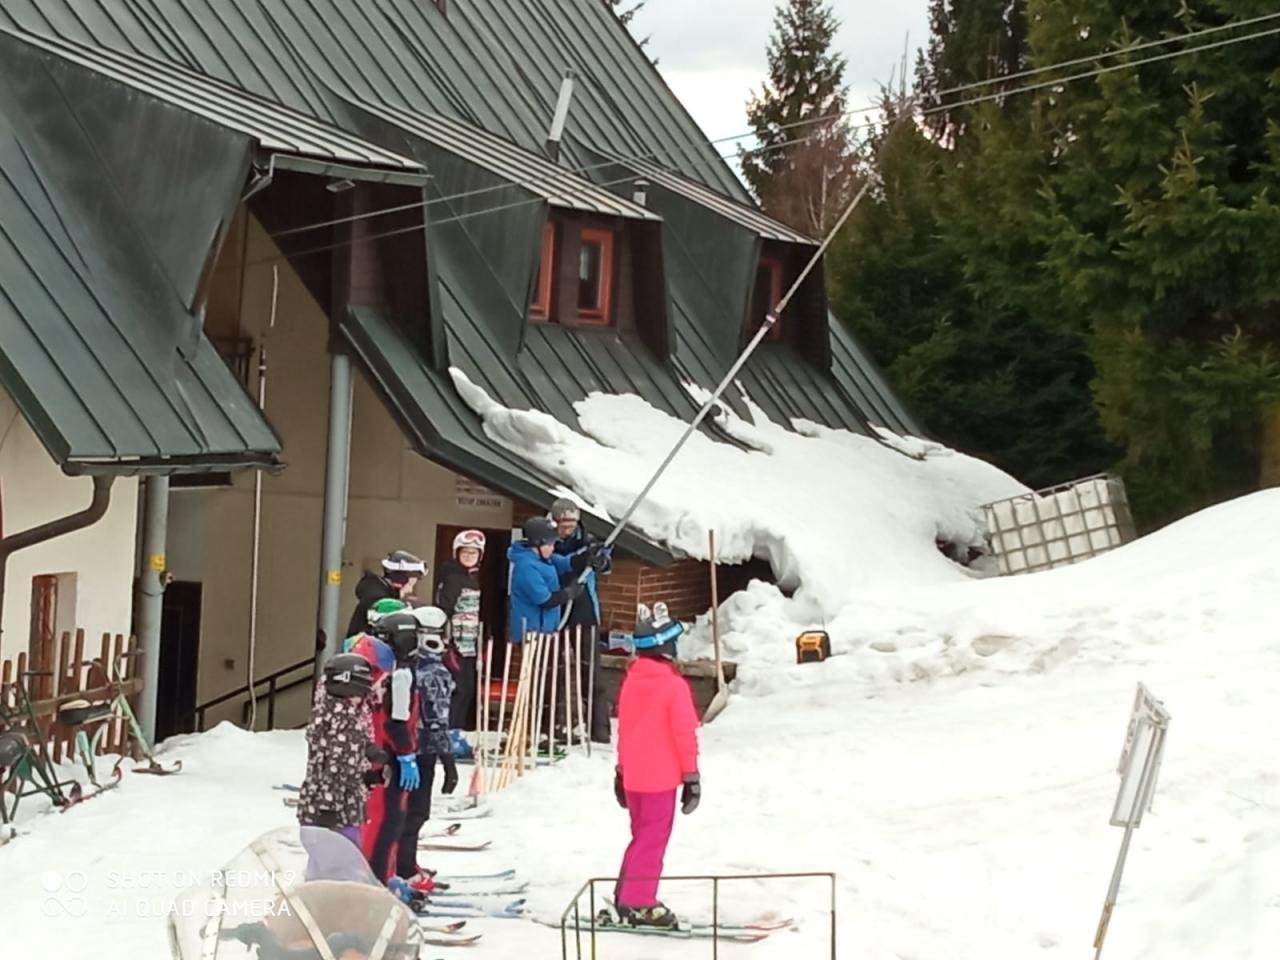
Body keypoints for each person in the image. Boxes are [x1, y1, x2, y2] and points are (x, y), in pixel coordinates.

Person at [612, 605, 701, 929]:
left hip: (634, 777)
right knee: (652, 840)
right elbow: (684, 734)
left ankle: (626, 892)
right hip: (660, 778)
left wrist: (621, 770)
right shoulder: (674, 686)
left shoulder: (631, 682)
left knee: (641, 837)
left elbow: (624, 729)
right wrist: (691, 776)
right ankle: (639, 901)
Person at [296, 648, 385, 879]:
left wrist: (369, 771)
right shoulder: (341, 719)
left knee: (323, 870)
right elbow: (333, 768)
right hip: (333, 813)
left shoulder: (336, 714)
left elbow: (347, 758)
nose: (362, 699)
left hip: (330, 807)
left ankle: (315, 897)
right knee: (341, 871)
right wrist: (329, 809)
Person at [359, 601, 422, 887]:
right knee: (387, 820)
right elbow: (397, 721)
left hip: (380, 753)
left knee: (388, 820)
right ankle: (379, 880)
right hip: (387, 756)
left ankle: (385, 875)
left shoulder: (379, 671)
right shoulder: (397, 675)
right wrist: (407, 754)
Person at [399, 605, 459, 894]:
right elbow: (437, 720)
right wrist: (448, 760)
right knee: (416, 812)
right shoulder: (434, 671)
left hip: (404, 747)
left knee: (403, 809)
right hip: (423, 749)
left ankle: (404, 862)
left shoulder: (406, 664)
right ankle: (405, 868)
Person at [550, 498, 613, 743]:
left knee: (590, 670)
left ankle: (599, 727)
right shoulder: (547, 541)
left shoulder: (588, 540)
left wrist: (600, 560)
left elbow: (605, 565)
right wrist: (581, 559)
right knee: (553, 670)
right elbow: (556, 564)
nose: (567, 528)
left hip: (584, 612)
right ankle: (553, 723)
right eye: (563, 523)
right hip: (555, 608)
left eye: (571, 523)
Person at [435, 530, 485, 760]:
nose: (469, 556)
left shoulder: (471, 577)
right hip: (455, 645)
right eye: (465, 552)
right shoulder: (453, 578)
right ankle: (447, 737)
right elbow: (444, 611)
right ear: (457, 553)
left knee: (467, 690)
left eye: (473, 553)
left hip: (469, 644)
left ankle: (454, 733)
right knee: (457, 691)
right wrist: (447, 643)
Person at [507, 516, 582, 645]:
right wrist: (569, 593)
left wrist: (587, 556)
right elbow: (545, 601)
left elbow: (567, 563)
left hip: (545, 632)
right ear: (537, 544)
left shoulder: (545, 559)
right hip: (530, 635)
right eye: (549, 544)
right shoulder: (526, 567)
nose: (553, 548)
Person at [346, 550, 426, 639]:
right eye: (410, 584)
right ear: (400, 580)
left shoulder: (377, 591)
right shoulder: (380, 600)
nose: (410, 590)